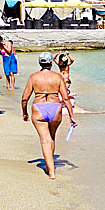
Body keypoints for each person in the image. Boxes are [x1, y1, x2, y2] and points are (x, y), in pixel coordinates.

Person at [21, 52, 76, 180]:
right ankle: (49, 164)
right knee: (51, 137)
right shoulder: (58, 77)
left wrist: (25, 112)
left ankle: (51, 171)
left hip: (39, 107)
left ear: (40, 63)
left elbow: (25, 98)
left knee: (45, 140)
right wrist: (71, 116)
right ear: (51, 63)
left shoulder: (33, 77)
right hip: (55, 107)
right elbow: (66, 98)